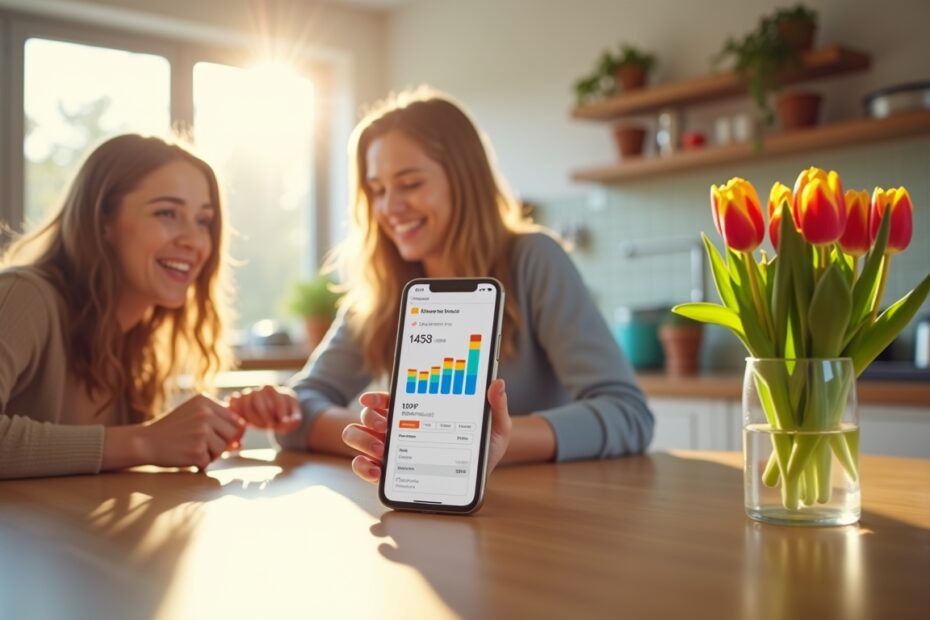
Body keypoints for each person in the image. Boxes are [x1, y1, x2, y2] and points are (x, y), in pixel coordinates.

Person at [229, 89, 654, 483]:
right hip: (426, 516)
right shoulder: (384, 289)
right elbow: (300, 409)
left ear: (464, 180)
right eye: (377, 190)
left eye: (410, 184)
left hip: (541, 516)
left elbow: (627, 414)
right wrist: (401, 440)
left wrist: (479, 443)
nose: (390, 208)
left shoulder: (533, 259)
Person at [0, 134, 292, 479]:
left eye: (203, 221)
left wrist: (224, 421)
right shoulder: (23, 296)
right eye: (167, 213)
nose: (194, 241)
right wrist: (144, 441)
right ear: (102, 221)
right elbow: (133, 445)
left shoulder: (138, 338)